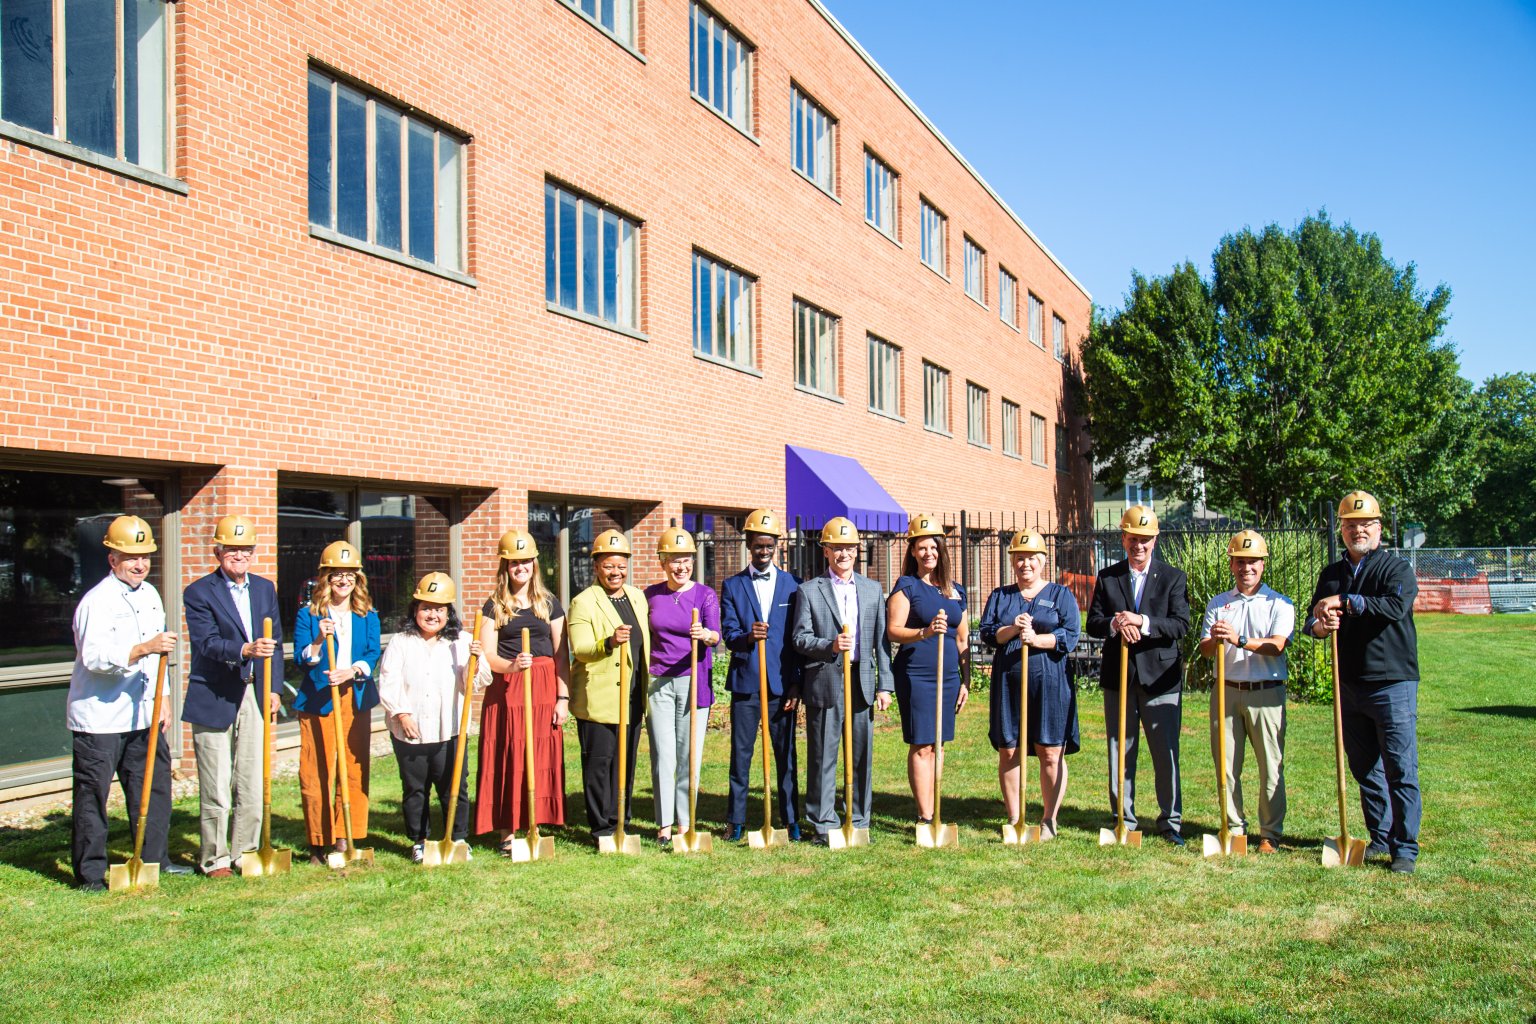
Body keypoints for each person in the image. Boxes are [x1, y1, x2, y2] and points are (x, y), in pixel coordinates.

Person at [67, 515, 191, 890]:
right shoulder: (96, 602)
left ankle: (154, 859)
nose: (139, 564)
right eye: (130, 557)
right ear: (112, 559)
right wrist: (143, 649)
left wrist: (165, 697)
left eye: (145, 557)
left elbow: (159, 659)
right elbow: (94, 658)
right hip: (100, 718)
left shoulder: (151, 595)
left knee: (152, 788)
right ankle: (90, 873)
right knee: (93, 795)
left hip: (144, 712)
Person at [1306, 491, 1421, 874]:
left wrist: (1350, 602)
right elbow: (1313, 623)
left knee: (1400, 768)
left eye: (1366, 525)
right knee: (1364, 768)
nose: (1358, 531)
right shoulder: (1331, 574)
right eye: (1351, 525)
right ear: (1341, 529)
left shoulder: (1395, 569)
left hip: (1392, 683)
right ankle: (1381, 837)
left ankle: (1404, 849)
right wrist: (1323, 624)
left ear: (1379, 528)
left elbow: (1394, 606)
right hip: (1349, 685)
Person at [181, 514, 282, 878]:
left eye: (245, 550)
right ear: (218, 551)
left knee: (252, 779)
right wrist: (244, 650)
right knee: (217, 782)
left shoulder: (264, 589)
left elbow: (276, 644)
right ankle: (215, 858)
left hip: (254, 692)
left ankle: (246, 851)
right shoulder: (198, 592)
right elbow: (206, 643)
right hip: (214, 695)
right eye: (232, 549)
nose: (239, 556)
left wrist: (272, 688)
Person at [1085, 505, 1191, 845]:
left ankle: (1170, 821)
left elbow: (1181, 624)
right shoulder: (1108, 576)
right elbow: (1094, 623)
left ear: (1155, 539)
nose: (1139, 546)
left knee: (1165, 752)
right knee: (1120, 750)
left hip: (1161, 678)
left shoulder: (1173, 577)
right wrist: (1117, 624)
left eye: (1145, 540)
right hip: (1120, 678)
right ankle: (1123, 820)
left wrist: (1142, 623)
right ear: (1124, 539)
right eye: (1133, 539)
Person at [792, 517, 893, 845]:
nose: (843, 554)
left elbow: (881, 643)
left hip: (861, 681)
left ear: (856, 549)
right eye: (836, 548)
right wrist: (829, 645)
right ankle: (823, 823)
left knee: (861, 754)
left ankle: (859, 820)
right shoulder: (808, 591)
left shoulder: (872, 589)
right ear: (826, 551)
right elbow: (800, 638)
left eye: (848, 548)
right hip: (826, 681)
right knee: (823, 754)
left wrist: (884, 685)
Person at [979, 528, 1081, 839]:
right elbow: (987, 633)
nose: (1025, 564)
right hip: (1009, 684)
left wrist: (1038, 639)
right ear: (1012, 562)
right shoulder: (1001, 596)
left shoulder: (1061, 595)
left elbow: (1071, 635)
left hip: (1050, 684)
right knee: (1009, 750)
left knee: (1050, 751)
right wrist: (1012, 628)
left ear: (1043, 561)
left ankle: (1049, 819)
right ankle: (1014, 817)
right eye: (1019, 558)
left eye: (1031, 559)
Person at [1197, 530, 1294, 855]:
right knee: (1226, 765)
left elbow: (1277, 646)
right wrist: (1215, 639)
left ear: (1262, 565)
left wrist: (1239, 640)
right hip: (1226, 691)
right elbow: (1206, 652)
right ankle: (1234, 830)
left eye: (1252, 561)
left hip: (1267, 694)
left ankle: (1269, 834)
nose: (1246, 568)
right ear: (1232, 564)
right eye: (1240, 561)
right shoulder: (1218, 603)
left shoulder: (1279, 602)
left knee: (1270, 765)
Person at [475, 529, 569, 855]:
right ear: (505, 566)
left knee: (538, 754)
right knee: (510, 754)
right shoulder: (494, 606)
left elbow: (561, 655)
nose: (521, 567)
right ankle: (506, 832)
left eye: (526, 561)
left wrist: (563, 697)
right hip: (508, 688)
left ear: (534, 563)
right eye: (514, 562)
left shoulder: (550, 603)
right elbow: (488, 655)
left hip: (544, 687)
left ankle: (534, 823)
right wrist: (512, 666)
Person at [377, 573, 482, 863]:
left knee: (454, 787)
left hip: (449, 728)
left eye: (439, 609)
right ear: (415, 610)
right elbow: (388, 680)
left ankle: (458, 837)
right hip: (410, 729)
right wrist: (401, 712)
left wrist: (475, 660)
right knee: (415, 788)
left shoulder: (461, 641)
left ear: (449, 613)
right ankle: (419, 840)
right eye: (426, 607)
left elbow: (474, 682)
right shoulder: (401, 641)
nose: (432, 614)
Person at [291, 540, 381, 865]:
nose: (343, 581)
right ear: (325, 579)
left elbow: (373, 653)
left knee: (353, 768)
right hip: (318, 700)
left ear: (358, 580)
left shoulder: (367, 615)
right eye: (336, 575)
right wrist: (317, 640)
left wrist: (352, 671)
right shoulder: (309, 615)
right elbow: (301, 659)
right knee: (316, 770)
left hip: (354, 698)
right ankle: (319, 840)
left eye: (350, 576)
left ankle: (346, 836)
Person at [719, 508, 803, 842]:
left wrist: (796, 683)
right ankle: (736, 821)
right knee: (741, 756)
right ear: (748, 545)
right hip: (746, 684)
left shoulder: (792, 585)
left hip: (782, 685)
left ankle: (791, 819)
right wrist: (747, 637)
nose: (764, 551)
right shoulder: (732, 585)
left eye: (769, 545)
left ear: (777, 545)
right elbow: (728, 634)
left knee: (786, 756)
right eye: (758, 545)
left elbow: (798, 640)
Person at [567, 528, 651, 844]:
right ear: (596, 566)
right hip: (599, 698)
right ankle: (601, 827)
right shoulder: (583, 602)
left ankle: (621, 821)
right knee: (600, 763)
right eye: (608, 565)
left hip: (631, 695)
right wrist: (609, 642)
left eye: (620, 565)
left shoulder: (637, 597)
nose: (615, 572)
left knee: (625, 762)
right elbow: (581, 648)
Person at [886, 514, 969, 829]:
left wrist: (966, 680)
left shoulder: (955, 590)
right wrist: (923, 632)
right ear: (912, 552)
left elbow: (962, 639)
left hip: (949, 678)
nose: (928, 553)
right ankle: (924, 817)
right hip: (917, 674)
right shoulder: (906, 586)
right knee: (922, 743)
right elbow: (893, 630)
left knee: (939, 742)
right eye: (921, 548)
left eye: (933, 547)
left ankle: (935, 808)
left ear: (942, 549)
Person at [642, 528, 721, 847]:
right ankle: (663, 824)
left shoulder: (705, 595)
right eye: (674, 561)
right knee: (663, 753)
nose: (681, 566)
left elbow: (717, 636)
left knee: (689, 753)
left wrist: (705, 635)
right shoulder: (650, 596)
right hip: (658, 682)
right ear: (663, 562)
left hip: (693, 681)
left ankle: (685, 823)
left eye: (686, 560)